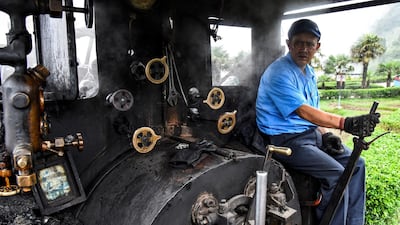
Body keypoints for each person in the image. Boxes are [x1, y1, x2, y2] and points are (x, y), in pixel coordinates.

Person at [255, 19, 380, 225]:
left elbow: (313, 113)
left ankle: (355, 222)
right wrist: (344, 123)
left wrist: (326, 134)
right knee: (338, 175)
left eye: (310, 44)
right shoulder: (279, 73)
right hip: (286, 140)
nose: (304, 48)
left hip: (310, 136)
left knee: (357, 164)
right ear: (289, 44)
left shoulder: (309, 72)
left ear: (317, 47)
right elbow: (304, 112)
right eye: (299, 43)